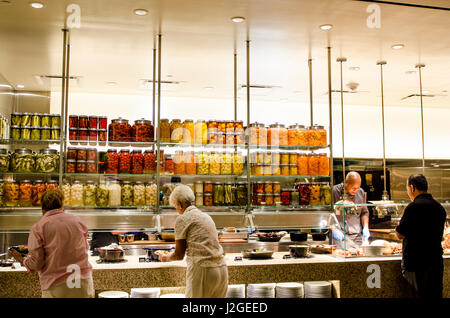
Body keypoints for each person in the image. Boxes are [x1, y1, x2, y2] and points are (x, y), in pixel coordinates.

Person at [10, 189, 94, 298]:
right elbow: (84, 248)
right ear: (62, 204)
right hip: (81, 281)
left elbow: (37, 263)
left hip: (56, 285)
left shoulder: (39, 227)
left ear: (42, 207)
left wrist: (23, 260)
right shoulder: (78, 221)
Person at [159, 184, 228, 298]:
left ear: (180, 205)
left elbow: (179, 254)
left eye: (175, 207)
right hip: (221, 270)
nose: (177, 210)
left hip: (203, 271)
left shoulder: (182, 219)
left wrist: (166, 257)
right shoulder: (206, 216)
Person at [395, 174, 446, 298]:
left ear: (412, 187)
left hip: (416, 264)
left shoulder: (413, 207)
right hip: (435, 263)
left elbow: (400, 234)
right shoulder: (439, 208)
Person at [332, 171, 370, 247]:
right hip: (340, 237)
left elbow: (364, 212)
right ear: (346, 182)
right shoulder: (334, 191)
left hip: (357, 237)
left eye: (358, 188)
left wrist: (365, 227)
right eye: (353, 188)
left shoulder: (361, 192)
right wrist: (334, 229)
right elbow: (327, 214)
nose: (356, 190)